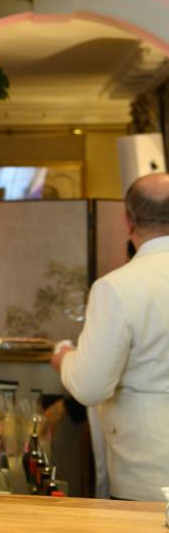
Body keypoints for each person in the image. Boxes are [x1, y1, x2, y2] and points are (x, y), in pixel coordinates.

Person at [52, 172, 169, 501]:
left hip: (150, 473)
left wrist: (65, 359)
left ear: (128, 221)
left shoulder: (117, 287)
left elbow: (90, 387)